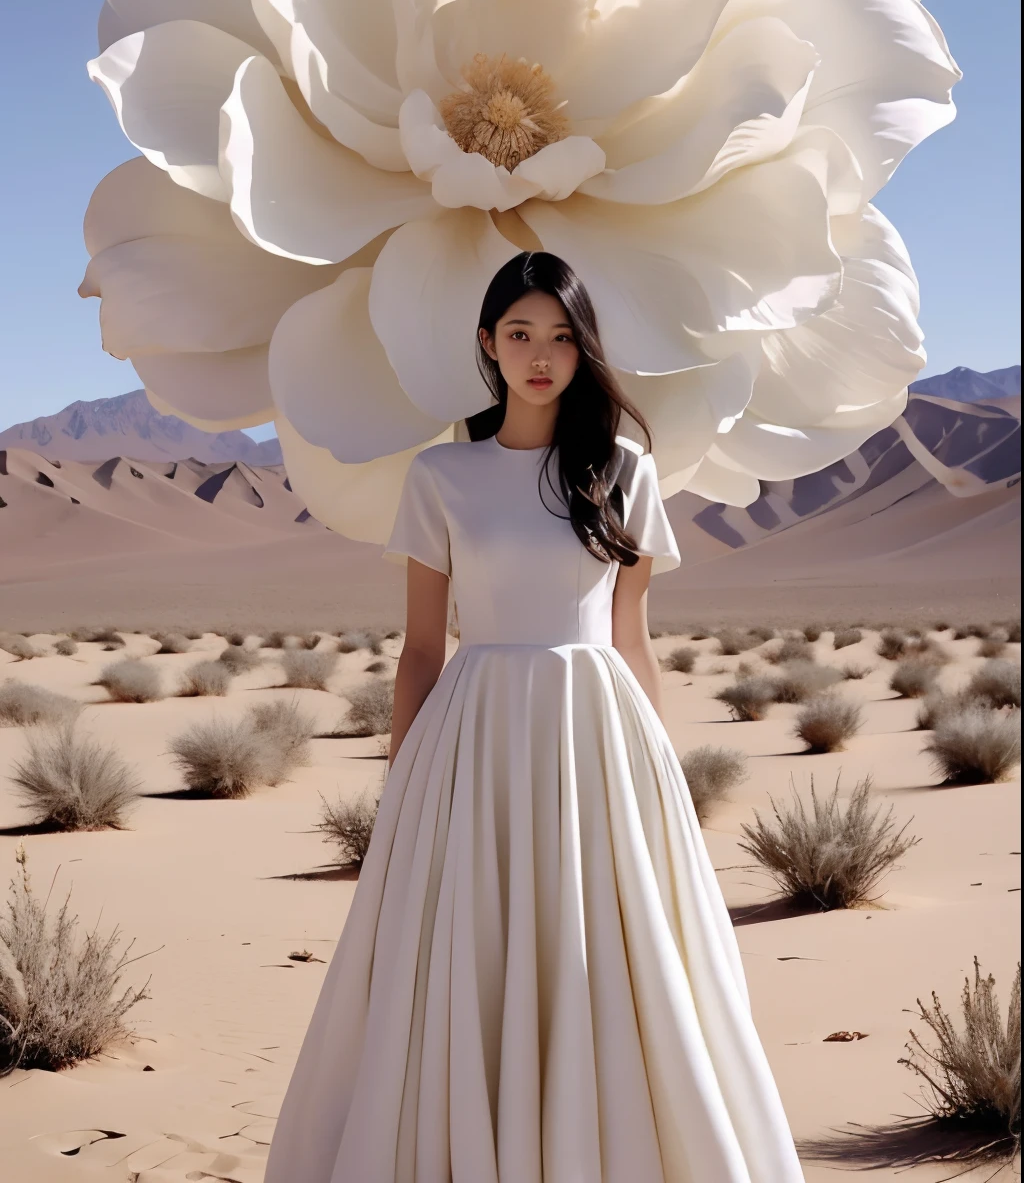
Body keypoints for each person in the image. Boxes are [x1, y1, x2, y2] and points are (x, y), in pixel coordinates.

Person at [264, 251, 804, 1182]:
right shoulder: (441, 475)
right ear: (488, 344)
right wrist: (404, 790)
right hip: (471, 745)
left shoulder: (626, 471)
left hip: (598, 738)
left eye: (560, 336)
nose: (540, 354)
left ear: (582, 347)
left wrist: (660, 773)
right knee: (464, 959)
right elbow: (424, 650)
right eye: (520, 334)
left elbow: (631, 638)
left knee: (610, 956)